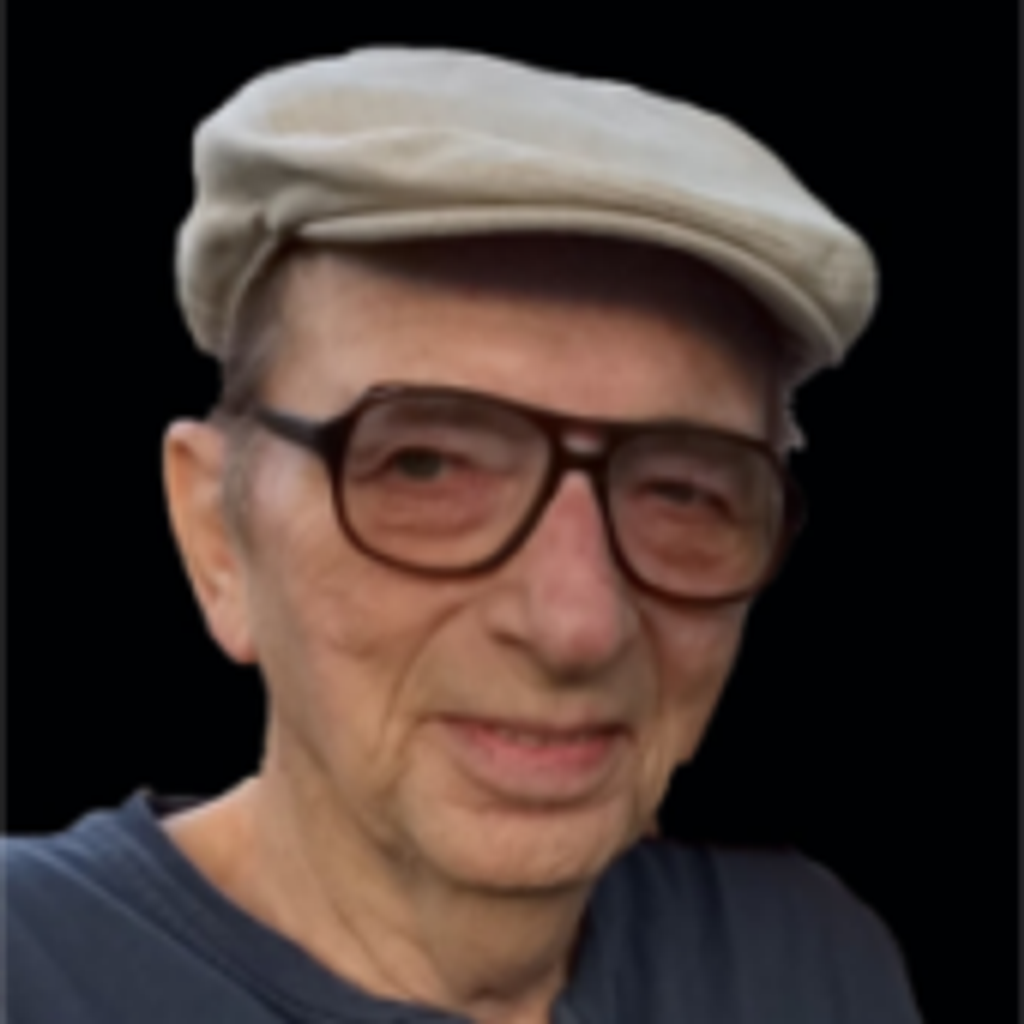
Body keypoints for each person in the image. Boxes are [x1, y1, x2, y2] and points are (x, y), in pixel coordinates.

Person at [0, 47, 923, 1023]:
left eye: (682, 492)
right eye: (426, 466)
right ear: (217, 538)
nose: (576, 624)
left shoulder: (811, 963)